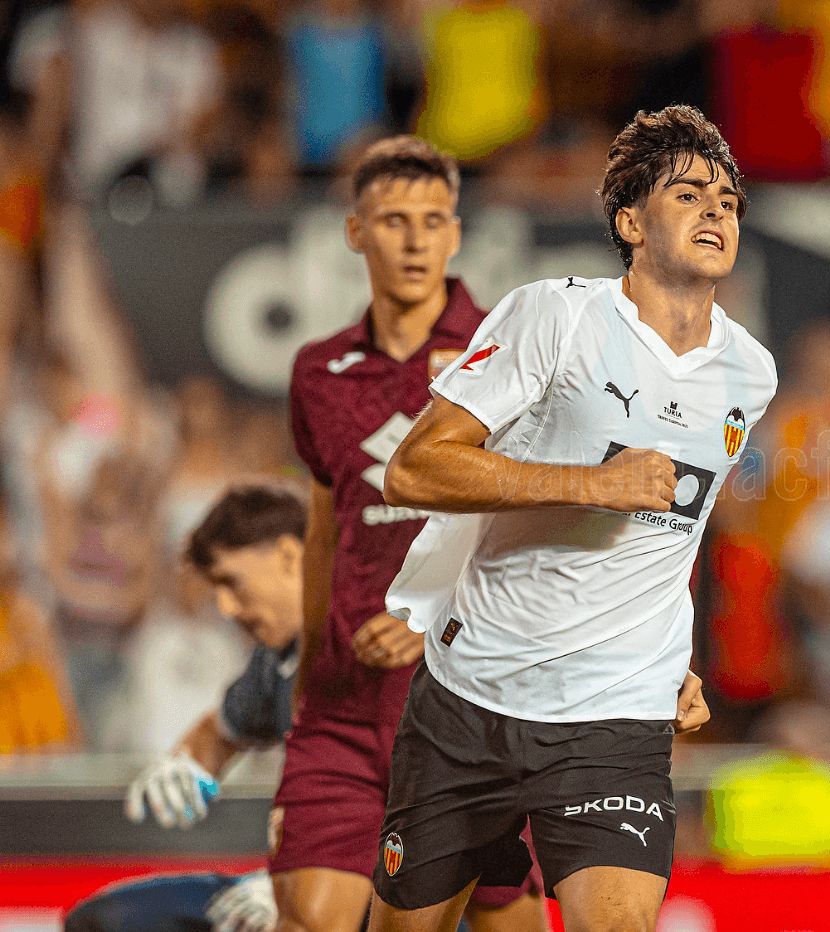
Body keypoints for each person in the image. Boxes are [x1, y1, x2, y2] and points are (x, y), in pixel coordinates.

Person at [371, 103, 776, 931]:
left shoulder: (752, 373)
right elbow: (414, 467)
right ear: (630, 222)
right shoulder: (555, 316)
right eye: (690, 195)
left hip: (615, 711)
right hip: (472, 696)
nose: (717, 211)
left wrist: (676, 654)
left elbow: (676, 532)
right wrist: (592, 485)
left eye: (728, 200)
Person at [276, 136, 543, 932]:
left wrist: (431, 621)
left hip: (474, 703)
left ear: (458, 234)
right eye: (393, 220)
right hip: (347, 713)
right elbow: (326, 526)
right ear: (356, 233)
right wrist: (308, 662)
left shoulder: (504, 357)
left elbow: (530, 523)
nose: (416, 239)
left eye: (434, 220)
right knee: (311, 917)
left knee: (505, 921)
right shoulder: (318, 373)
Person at [65, 484, 306, 932]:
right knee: (109, 922)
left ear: (290, 558)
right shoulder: (277, 659)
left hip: (381, 886)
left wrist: (301, 887)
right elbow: (223, 728)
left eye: (233, 583)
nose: (225, 607)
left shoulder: (373, 650)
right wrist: (190, 765)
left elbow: (421, 816)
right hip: (282, 880)